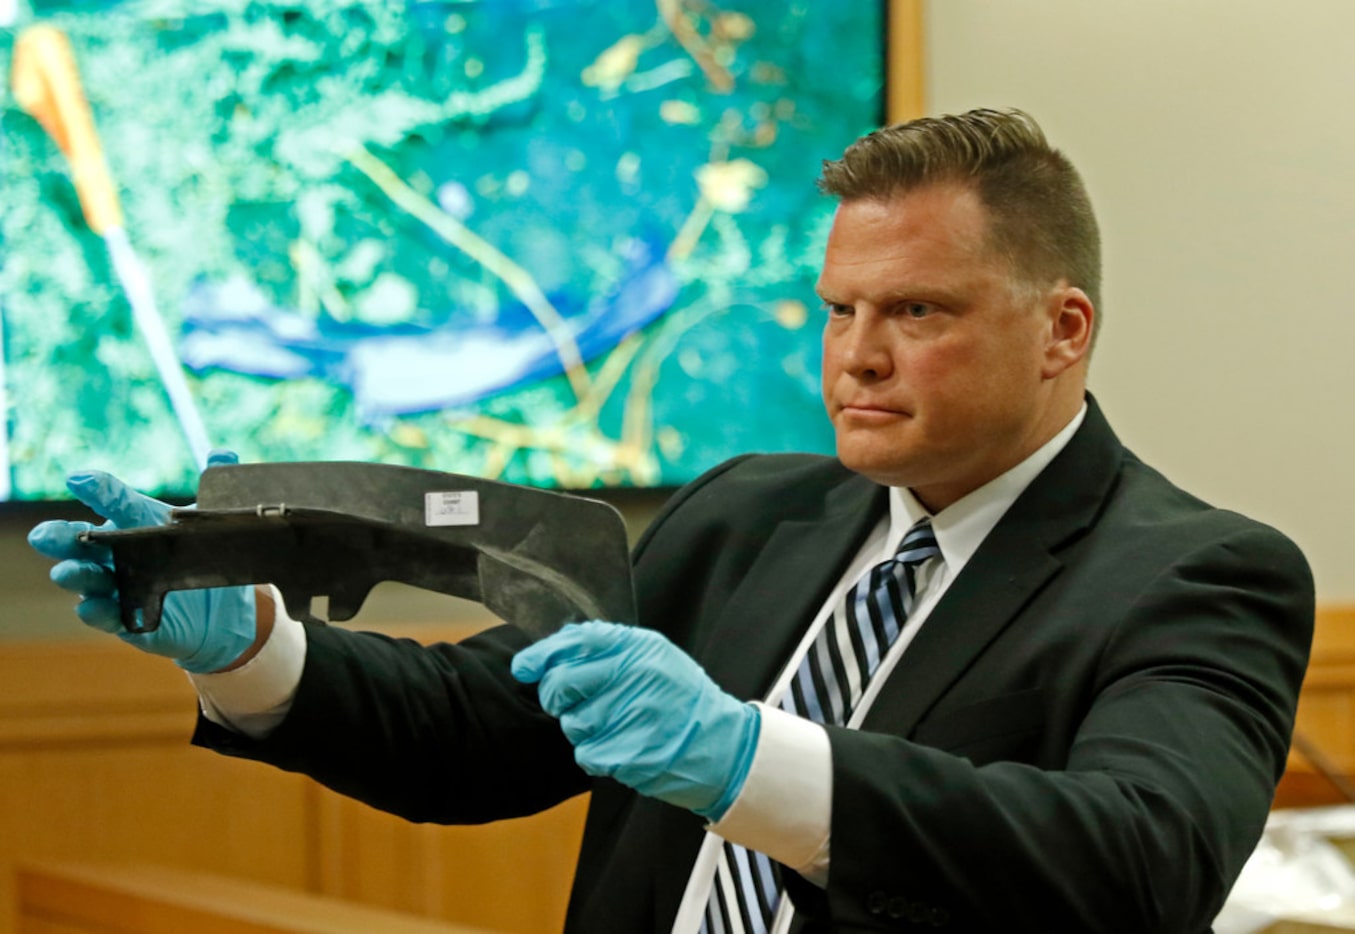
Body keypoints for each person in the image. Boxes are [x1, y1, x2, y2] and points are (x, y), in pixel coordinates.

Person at [29, 108, 1313, 933]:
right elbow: (488, 731)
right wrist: (253, 650)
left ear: (1060, 329)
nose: (855, 357)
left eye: (915, 312)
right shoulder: (752, 510)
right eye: (835, 310)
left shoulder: (1199, 574)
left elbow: (1136, 864)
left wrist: (748, 763)